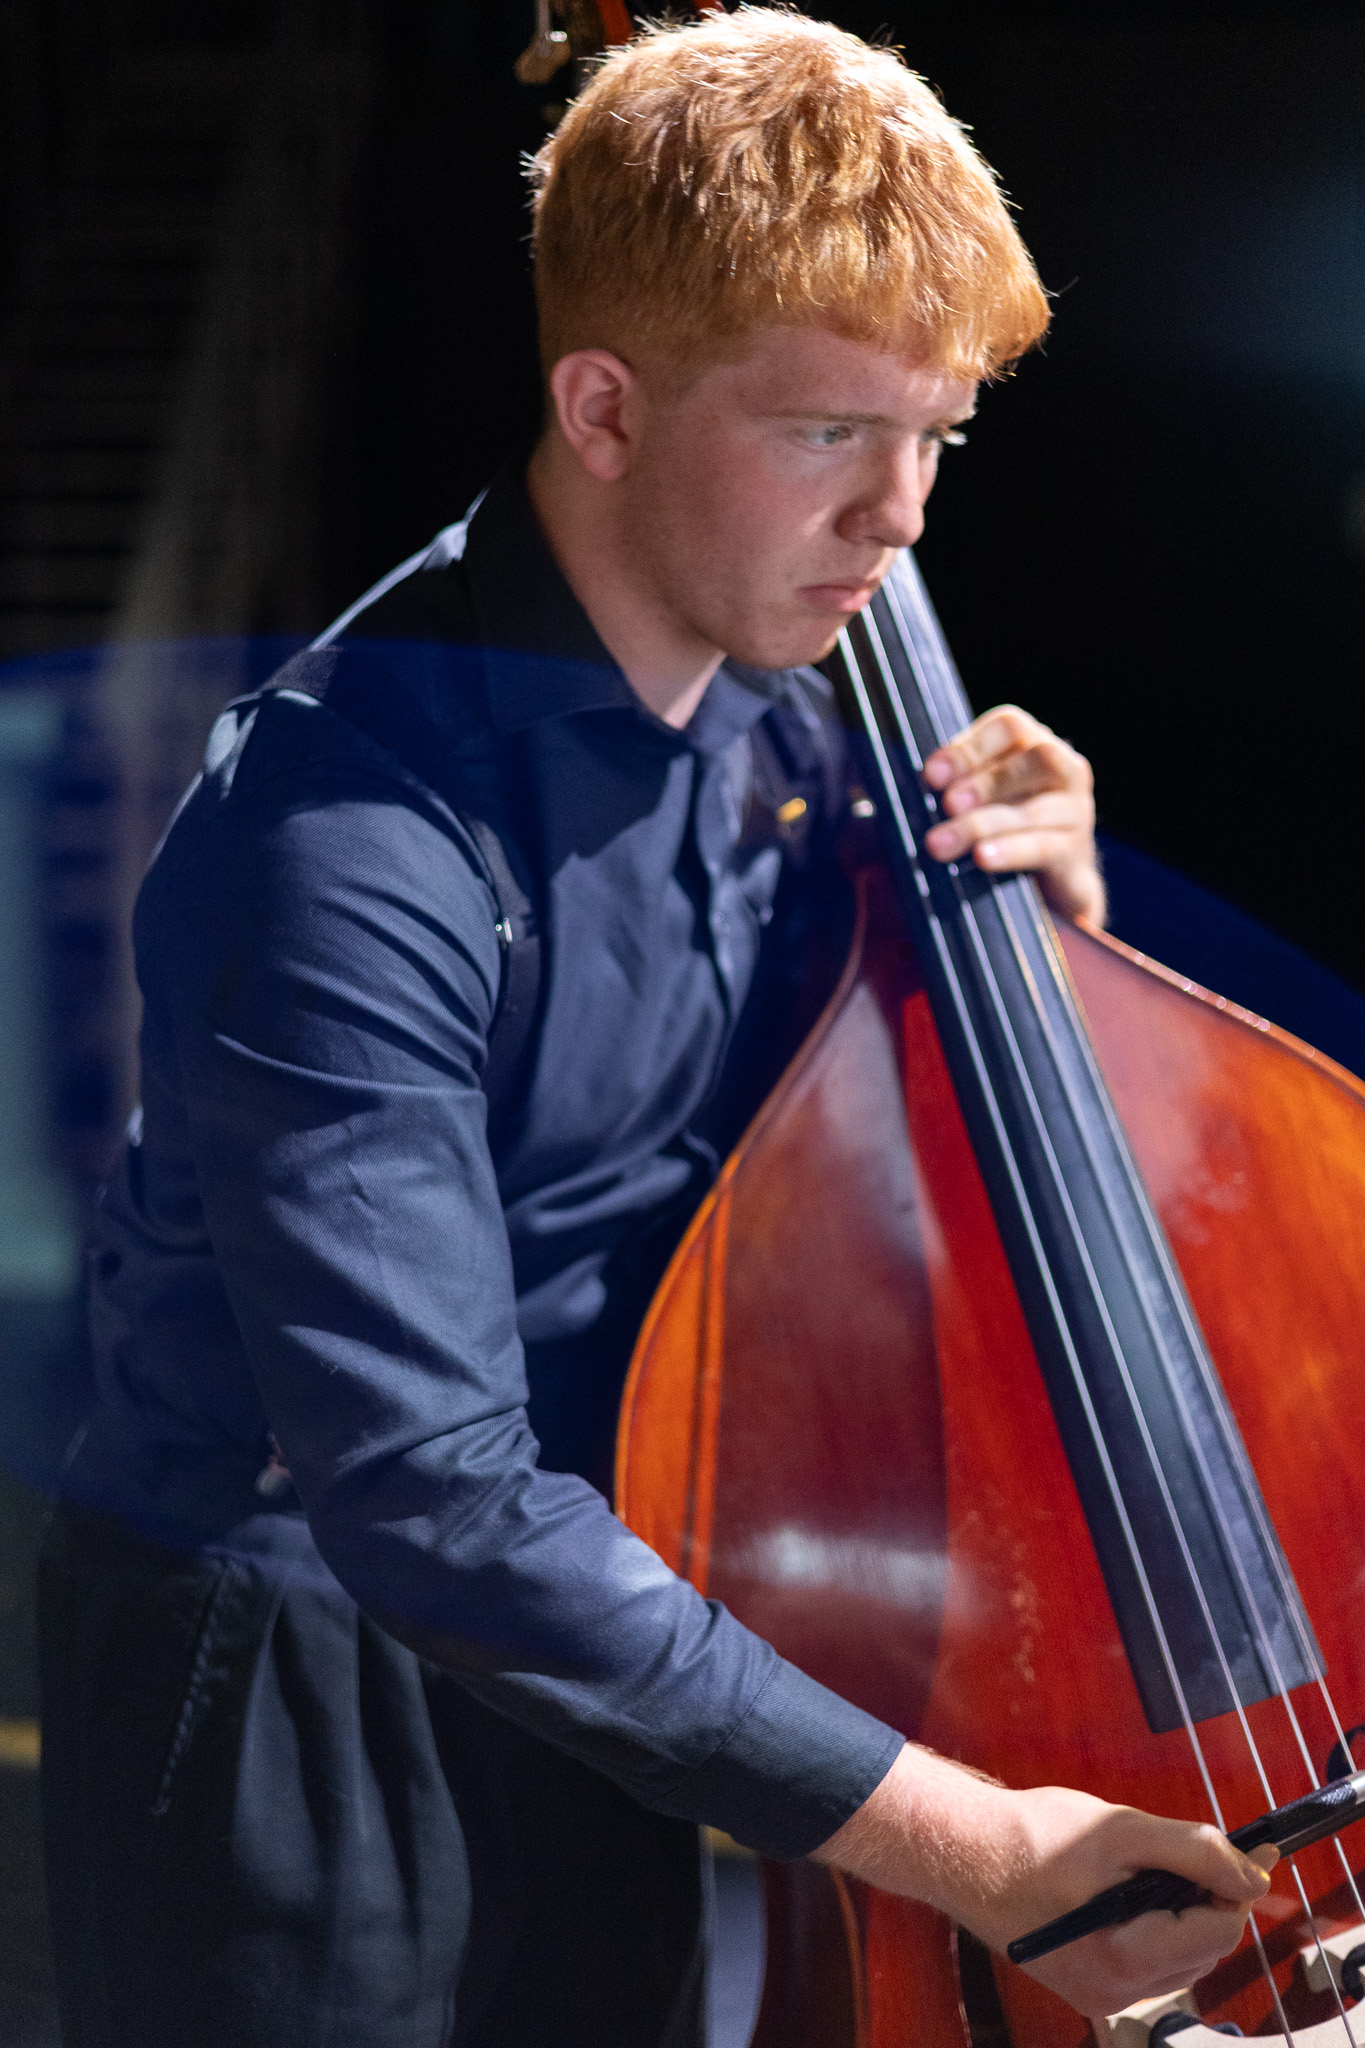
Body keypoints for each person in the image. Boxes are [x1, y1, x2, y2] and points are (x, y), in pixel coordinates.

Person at [39, 11, 1275, 2047]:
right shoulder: (342, 830)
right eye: (827, 433)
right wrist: (977, 1844)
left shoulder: (791, 726)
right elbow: (430, 1495)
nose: (899, 519)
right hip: (300, 1669)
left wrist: (1053, 928)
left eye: (937, 438)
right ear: (601, 409)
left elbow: (865, 1173)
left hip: (612, 1634)